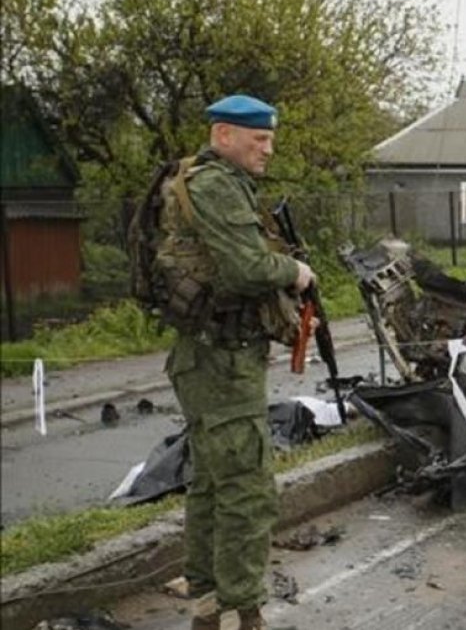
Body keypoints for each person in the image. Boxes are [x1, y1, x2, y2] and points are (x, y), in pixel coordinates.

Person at [169, 95, 314, 630]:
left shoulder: (216, 183)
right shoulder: (216, 186)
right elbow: (246, 269)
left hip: (212, 356)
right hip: (221, 362)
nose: (268, 149)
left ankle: (208, 603)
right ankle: (242, 610)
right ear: (224, 135)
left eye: (270, 139)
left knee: (212, 482)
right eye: (259, 139)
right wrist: (295, 272)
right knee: (248, 489)